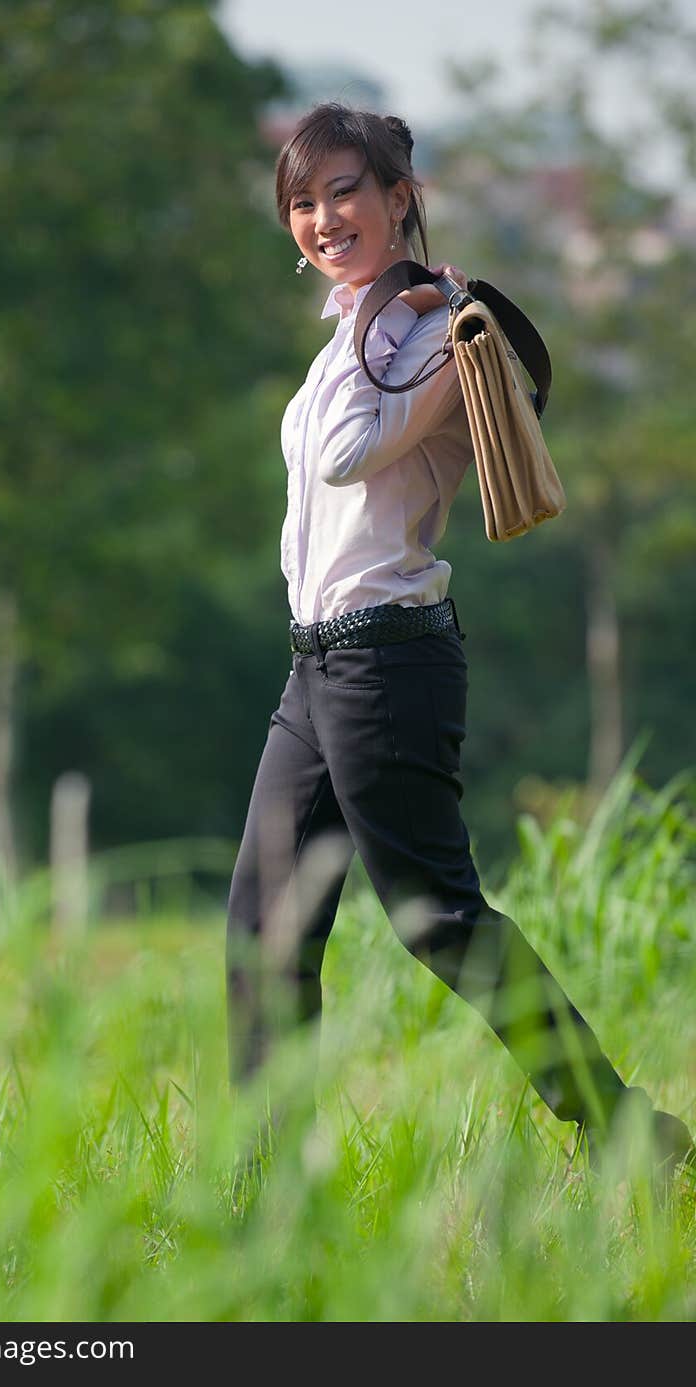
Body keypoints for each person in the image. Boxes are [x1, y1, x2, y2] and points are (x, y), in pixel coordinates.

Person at [224, 101, 692, 1175]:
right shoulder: (350, 330)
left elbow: (348, 453)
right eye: (301, 201)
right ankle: (266, 1188)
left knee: (437, 917)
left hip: (388, 660)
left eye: (344, 192)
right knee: (263, 929)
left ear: (400, 200)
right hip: (315, 664)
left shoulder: (438, 336)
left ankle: (633, 1141)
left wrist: (401, 307)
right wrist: (362, 312)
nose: (322, 217)